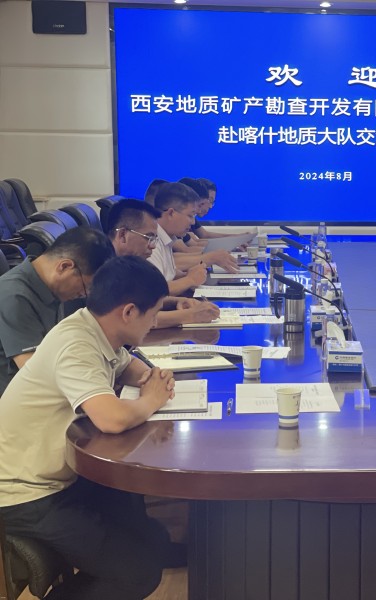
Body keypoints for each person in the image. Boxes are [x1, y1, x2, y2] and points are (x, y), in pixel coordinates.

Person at [0, 256, 177, 599]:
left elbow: (126, 366)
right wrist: (151, 400)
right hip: (25, 492)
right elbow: (111, 419)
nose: (155, 323)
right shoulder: (76, 345)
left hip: (57, 475)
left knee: (153, 537)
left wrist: (150, 377)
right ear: (129, 312)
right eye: (153, 314)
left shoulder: (92, 328)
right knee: (138, 573)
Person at [0, 226, 115, 395]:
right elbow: (36, 374)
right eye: (87, 287)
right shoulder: (14, 296)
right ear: (65, 266)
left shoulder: (51, 287)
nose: (84, 294)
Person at [107, 198, 221, 327]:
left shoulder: (127, 265)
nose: (153, 246)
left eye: (155, 239)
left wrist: (177, 301)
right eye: (148, 237)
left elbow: (142, 300)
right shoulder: (104, 267)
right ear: (122, 235)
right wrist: (191, 315)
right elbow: (133, 319)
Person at [148, 182, 209, 296]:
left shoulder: (167, 238)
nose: (193, 222)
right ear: (171, 213)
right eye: (190, 215)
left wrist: (188, 275)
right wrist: (190, 279)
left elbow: (167, 276)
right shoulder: (150, 242)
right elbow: (154, 292)